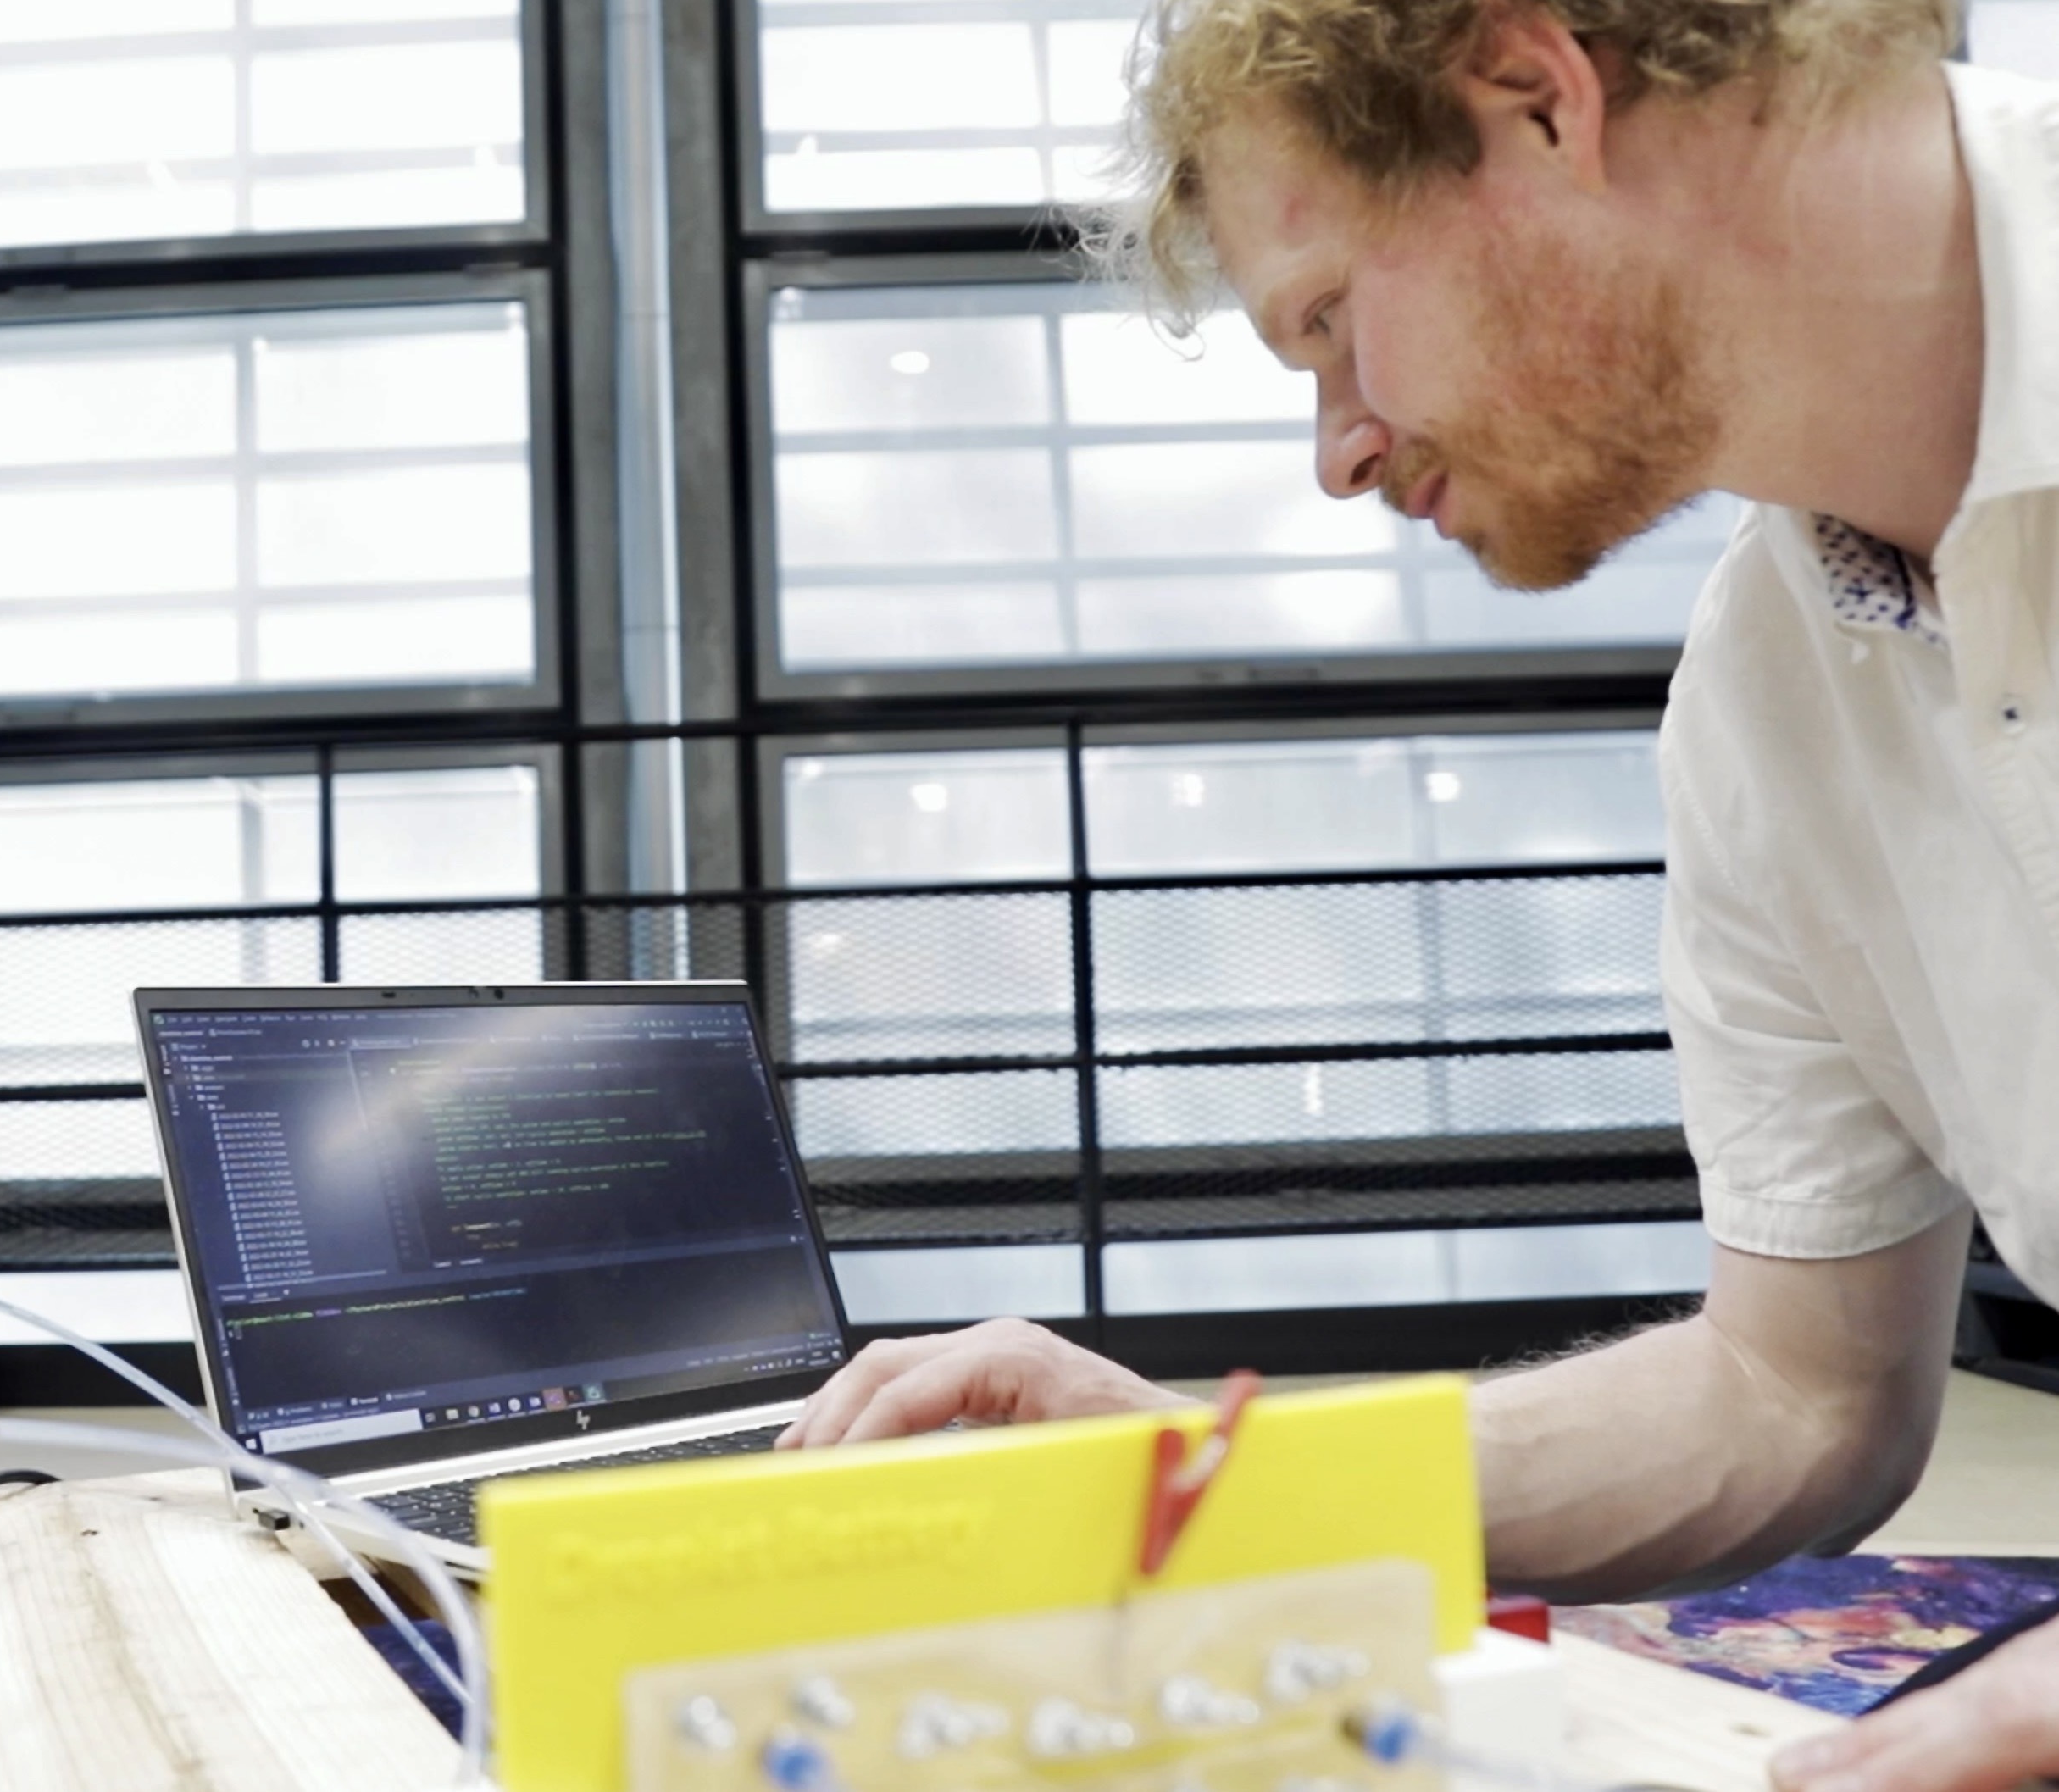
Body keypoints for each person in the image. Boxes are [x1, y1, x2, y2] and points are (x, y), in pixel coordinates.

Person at [775, 0, 2059, 1784]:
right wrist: (1214, 1478)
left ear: (1537, 99)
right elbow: (1802, 1394)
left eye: (1326, 321)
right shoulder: (1770, 707)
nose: (1341, 450)